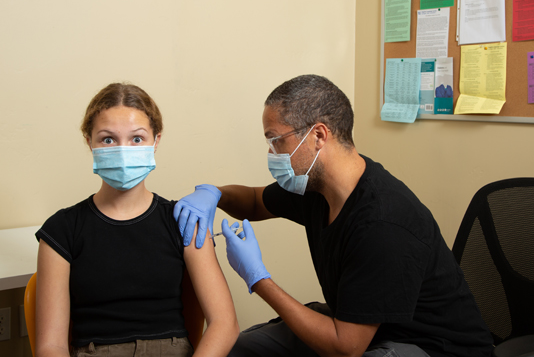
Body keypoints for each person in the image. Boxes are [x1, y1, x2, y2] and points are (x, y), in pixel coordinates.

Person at [175, 75, 493, 357]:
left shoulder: (382, 223)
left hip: (429, 346)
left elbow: (345, 348)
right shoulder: (316, 187)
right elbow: (257, 201)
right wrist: (213, 194)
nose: (271, 154)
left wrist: (259, 279)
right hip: (364, 327)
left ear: (318, 136)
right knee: (240, 349)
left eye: (276, 140)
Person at [35, 83, 239, 357]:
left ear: (156, 141)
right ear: (89, 142)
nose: (123, 150)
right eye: (108, 139)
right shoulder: (61, 230)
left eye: (137, 139)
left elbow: (224, 324)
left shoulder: (185, 220)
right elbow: (51, 346)